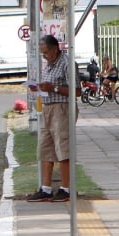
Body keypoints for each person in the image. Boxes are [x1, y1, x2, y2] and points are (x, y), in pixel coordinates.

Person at [26, 35, 80, 203]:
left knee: (63, 147)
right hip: (48, 108)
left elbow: (76, 91)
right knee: (45, 148)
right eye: (43, 54)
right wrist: (40, 88)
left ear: (55, 48)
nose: (45, 56)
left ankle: (66, 188)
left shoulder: (66, 63)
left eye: (46, 52)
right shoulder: (48, 65)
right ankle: (46, 188)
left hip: (62, 108)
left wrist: (54, 88)